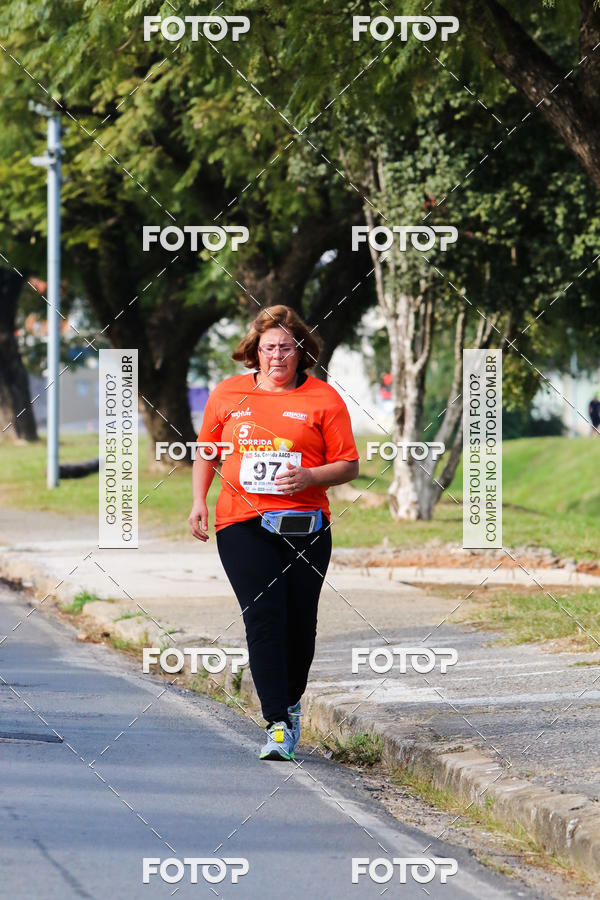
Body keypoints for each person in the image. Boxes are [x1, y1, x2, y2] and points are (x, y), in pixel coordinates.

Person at [188, 305, 360, 760]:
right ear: (255, 352)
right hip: (242, 523)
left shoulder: (324, 399)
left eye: (286, 347)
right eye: (268, 348)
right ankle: (277, 724)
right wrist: (198, 502)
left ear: (300, 351)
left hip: (306, 525)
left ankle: (290, 700)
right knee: (263, 616)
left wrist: (310, 478)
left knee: (300, 624)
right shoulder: (228, 394)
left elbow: (349, 465)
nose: (277, 357)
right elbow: (207, 451)